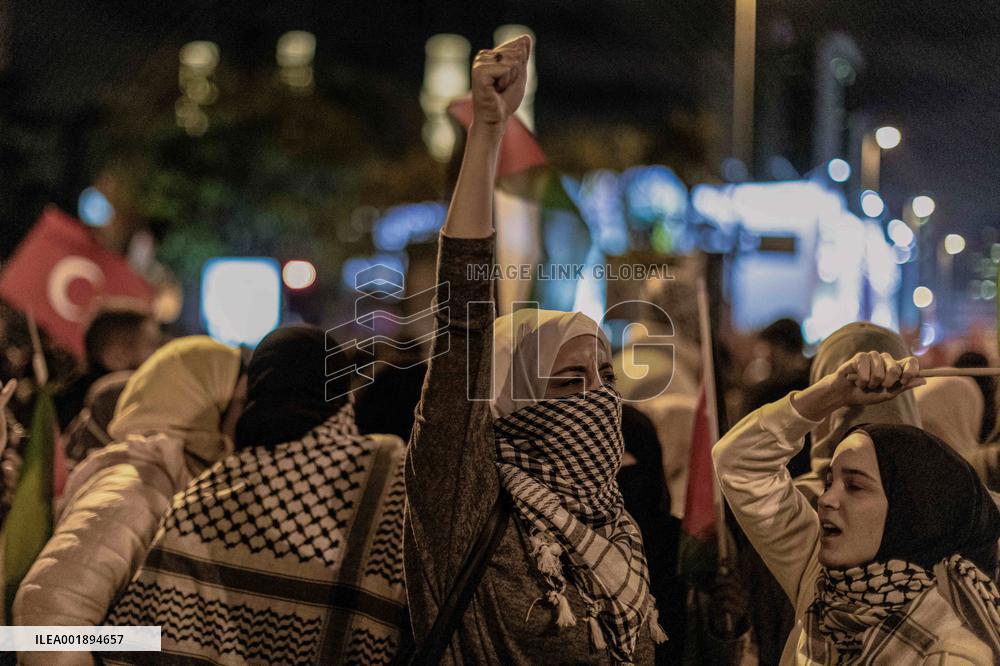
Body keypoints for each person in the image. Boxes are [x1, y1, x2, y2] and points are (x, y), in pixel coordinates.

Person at [404, 35, 665, 664]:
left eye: (605, 379)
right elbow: (464, 319)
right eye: (569, 384)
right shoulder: (465, 499)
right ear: (508, 396)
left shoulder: (611, 525)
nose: (599, 402)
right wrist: (488, 133)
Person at [104, 325, 407, 665]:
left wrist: (68, 639)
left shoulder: (200, 501)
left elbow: (147, 638)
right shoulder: (390, 480)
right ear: (341, 395)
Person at [714, 350, 1000, 663]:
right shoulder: (826, 580)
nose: (826, 499)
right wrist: (831, 393)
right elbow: (738, 462)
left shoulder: (951, 653)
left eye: (854, 486)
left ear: (907, 511)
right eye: (828, 482)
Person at [13, 336, 245, 665]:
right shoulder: (136, 487)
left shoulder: (170, 478)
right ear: (201, 401)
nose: (246, 419)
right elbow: (48, 617)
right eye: (238, 404)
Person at [54, 304, 161, 429]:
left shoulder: (70, 400)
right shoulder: (112, 404)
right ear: (117, 355)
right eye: (150, 344)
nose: (159, 352)